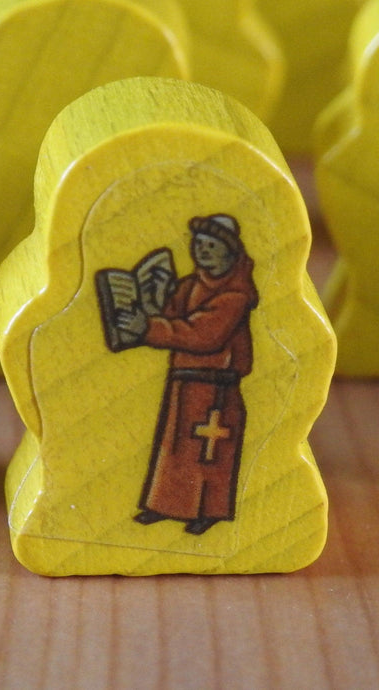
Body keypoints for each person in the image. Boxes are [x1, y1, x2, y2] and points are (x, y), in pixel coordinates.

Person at [114, 214, 257, 535]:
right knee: (174, 449)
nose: (202, 251)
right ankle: (165, 505)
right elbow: (172, 317)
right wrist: (149, 303)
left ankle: (208, 512)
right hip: (184, 380)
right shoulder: (191, 285)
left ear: (231, 253)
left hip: (215, 388)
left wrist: (149, 328)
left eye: (212, 245)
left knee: (208, 452)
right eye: (198, 244)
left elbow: (203, 334)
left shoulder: (234, 295)